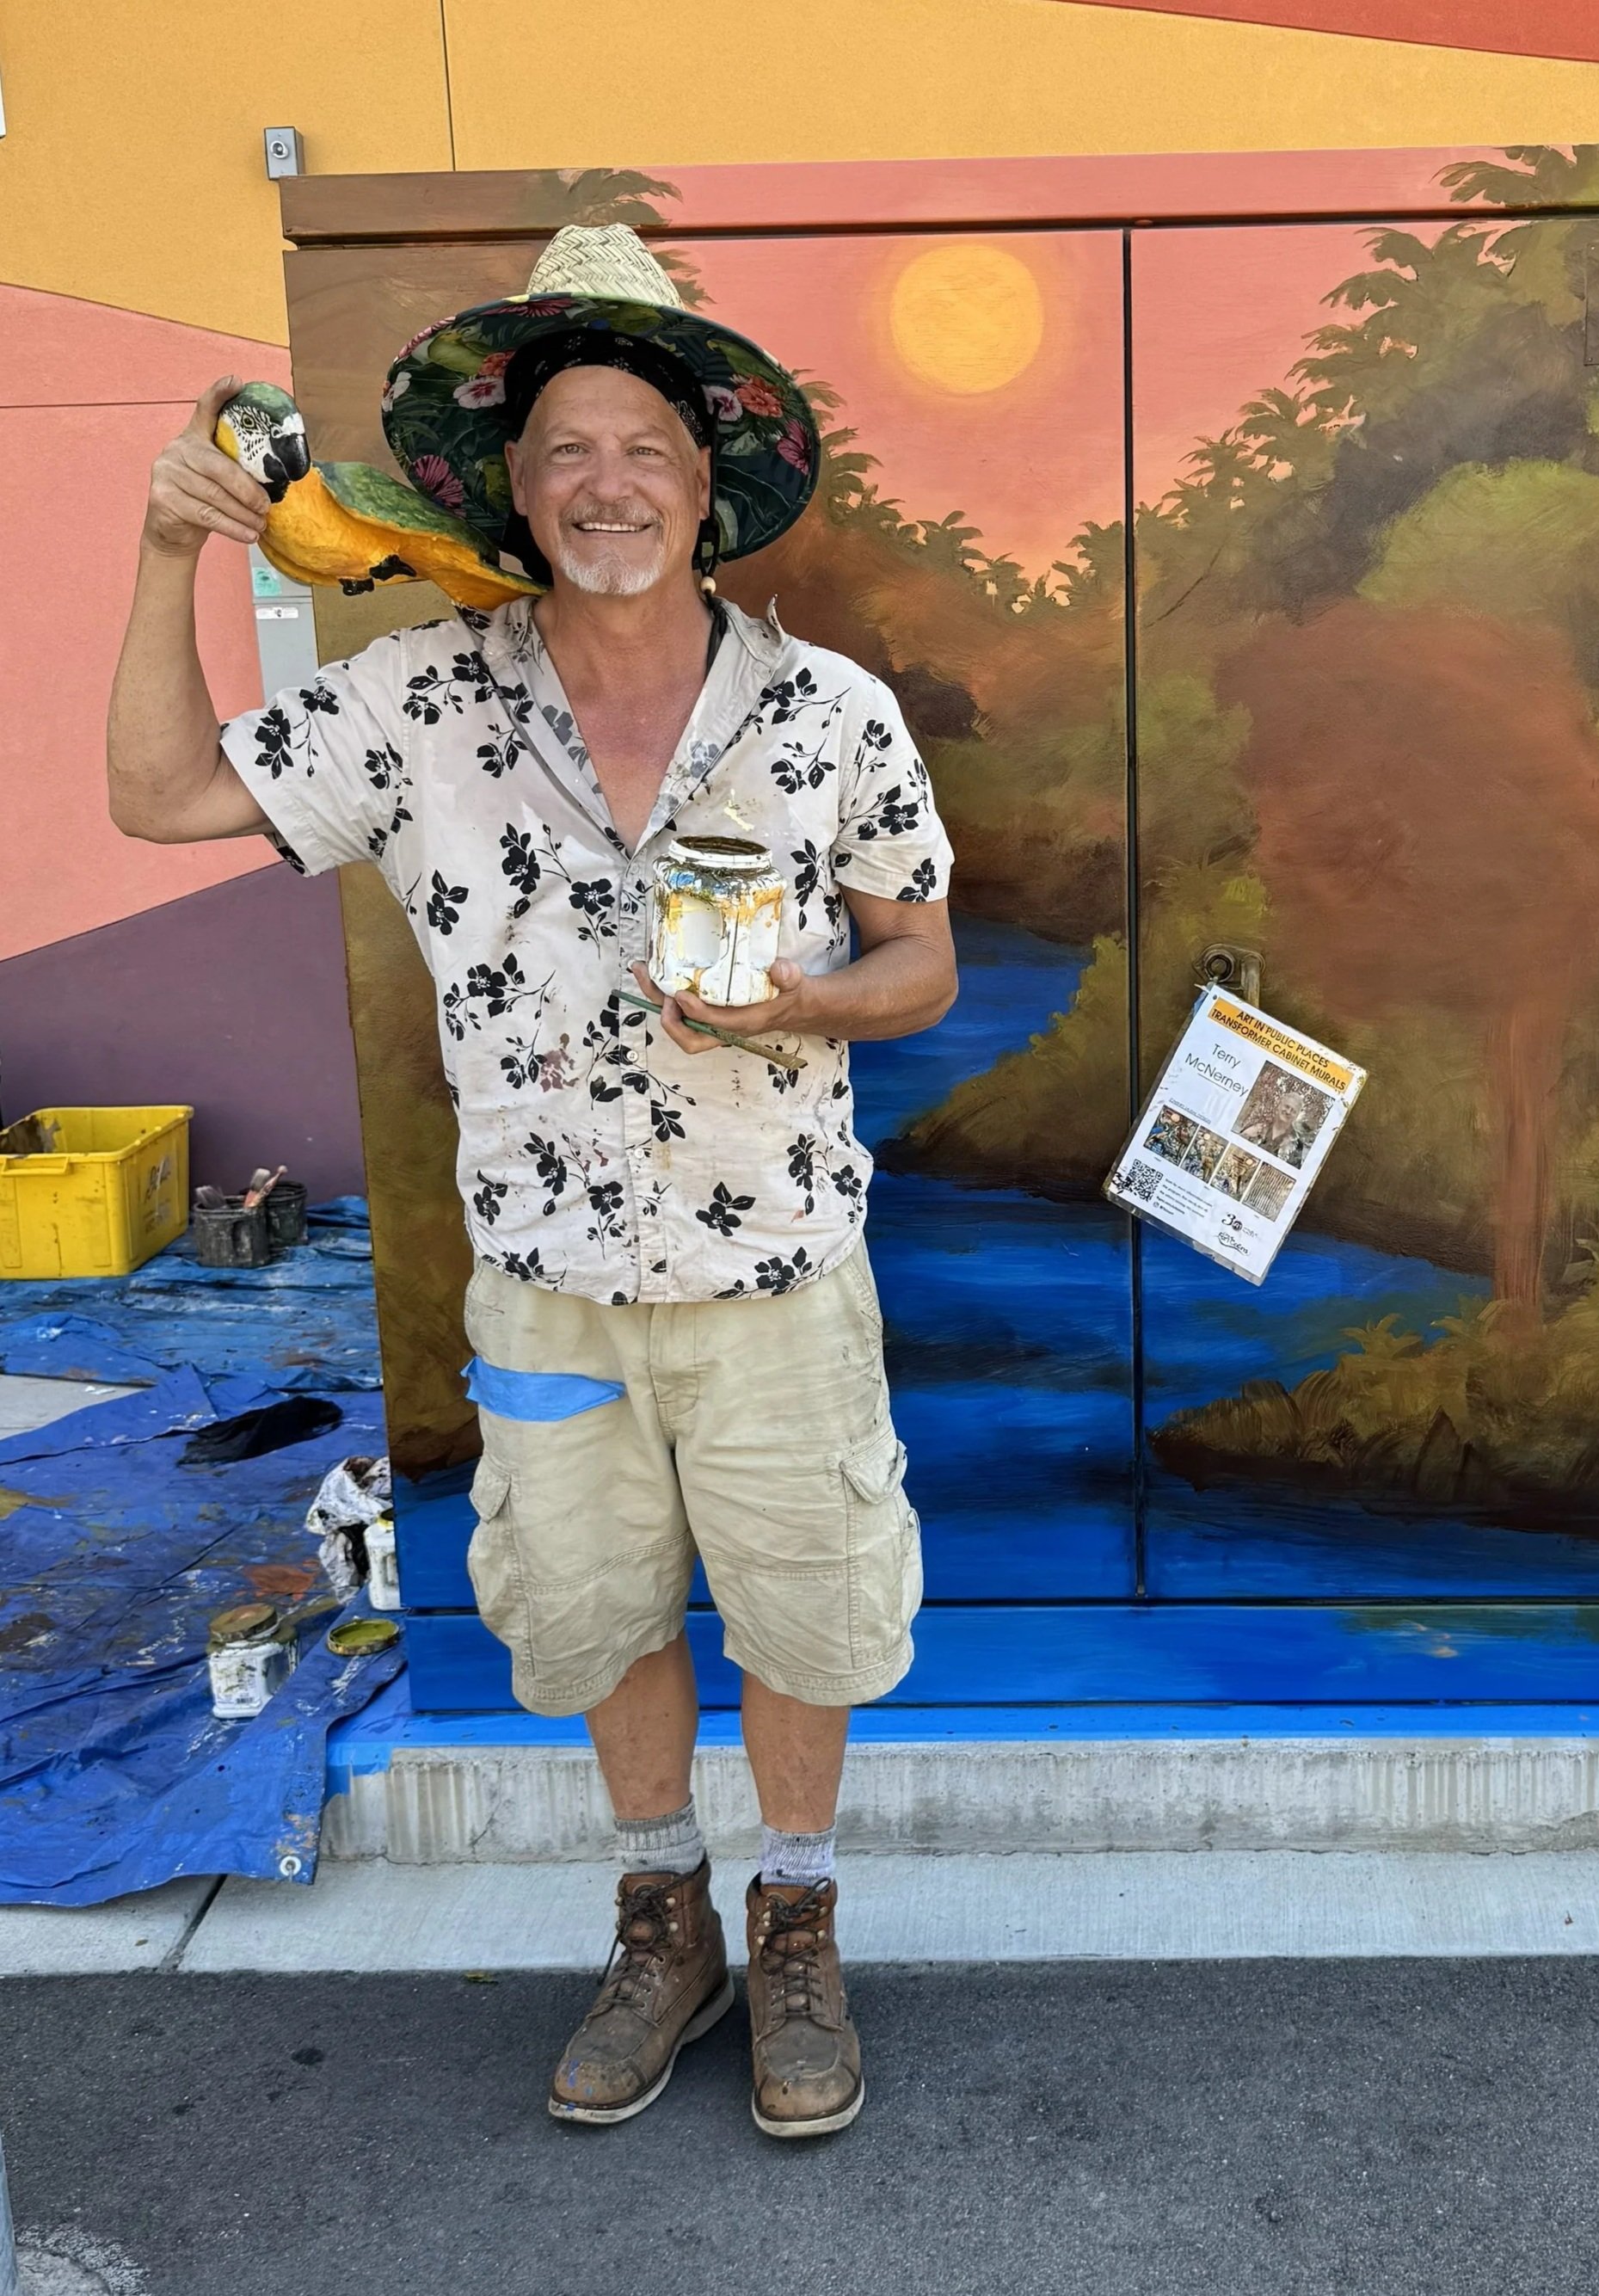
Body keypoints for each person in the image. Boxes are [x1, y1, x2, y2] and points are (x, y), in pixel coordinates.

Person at [107, 226, 957, 2139]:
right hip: (551, 1277)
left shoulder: (831, 714)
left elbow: (926, 961)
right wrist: (171, 552)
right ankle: (666, 1920)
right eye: (567, 449)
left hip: (780, 1269)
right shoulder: (414, 707)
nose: (606, 483)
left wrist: (813, 997)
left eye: (643, 445)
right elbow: (156, 799)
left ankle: (798, 1919)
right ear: (518, 489)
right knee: (592, 1609)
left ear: (706, 479)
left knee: (806, 1613)